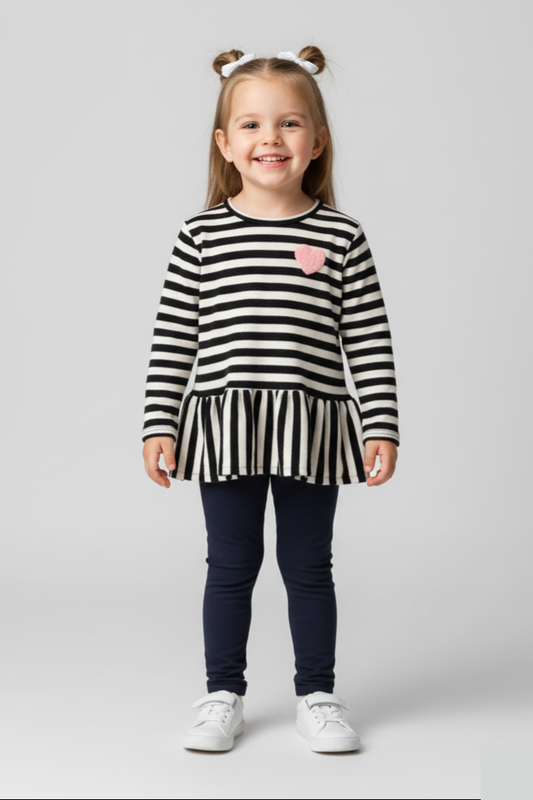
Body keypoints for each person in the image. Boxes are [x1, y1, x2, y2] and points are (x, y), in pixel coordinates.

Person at [141, 47, 400, 753]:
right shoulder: (200, 235)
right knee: (229, 567)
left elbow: (368, 339)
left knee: (308, 568)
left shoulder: (341, 236)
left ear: (317, 141)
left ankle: (317, 694)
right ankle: (221, 693)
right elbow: (173, 338)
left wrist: (380, 425)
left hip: (310, 428)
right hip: (225, 427)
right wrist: (159, 424)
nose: (271, 139)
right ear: (225, 144)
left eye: (289, 123)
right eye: (251, 124)